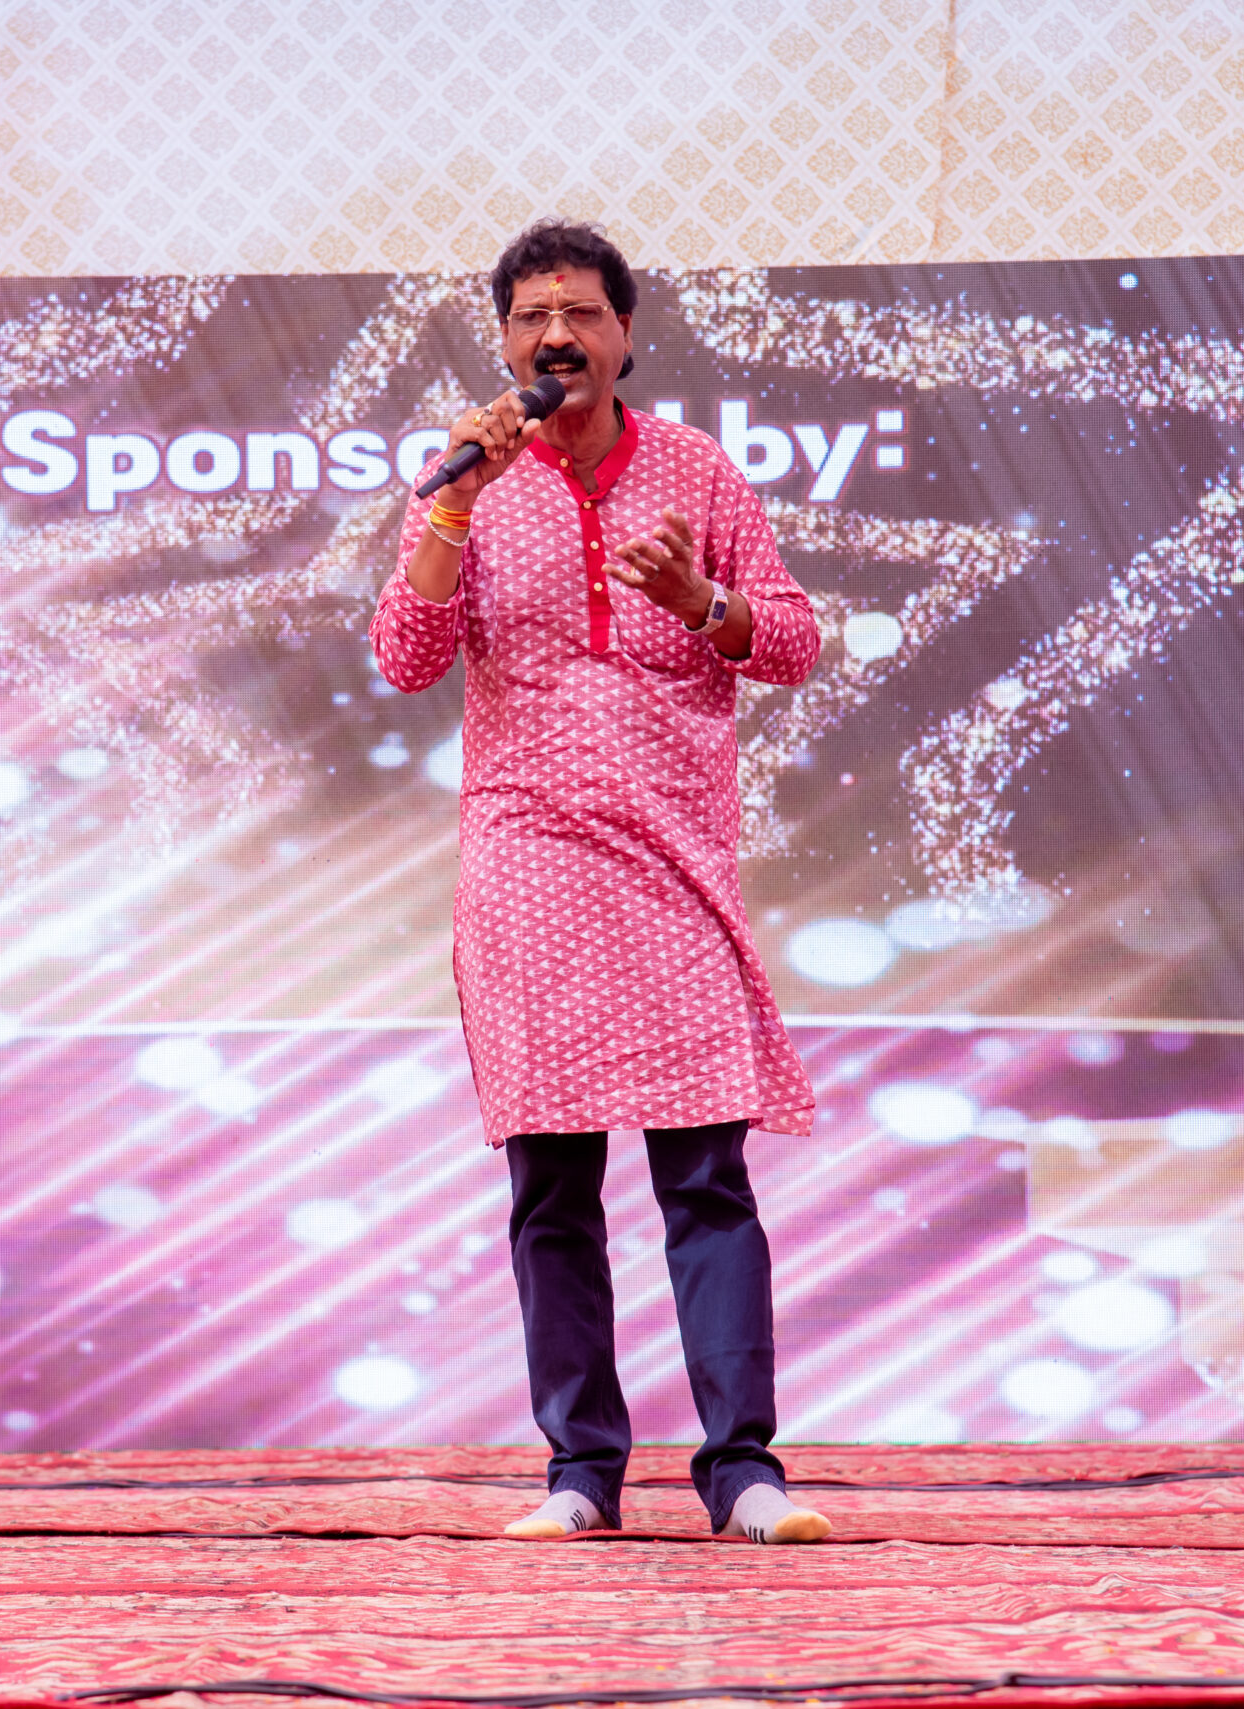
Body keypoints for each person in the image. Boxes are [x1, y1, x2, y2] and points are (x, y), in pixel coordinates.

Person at [370, 219, 830, 1544]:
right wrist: (453, 504)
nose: (555, 334)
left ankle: (743, 1470)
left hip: (672, 861)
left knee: (705, 1179)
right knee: (553, 1189)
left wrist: (698, 601)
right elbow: (405, 655)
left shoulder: (695, 469)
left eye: (579, 312)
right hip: (525, 863)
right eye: (530, 316)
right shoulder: (463, 480)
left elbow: (792, 642)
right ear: (504, 342)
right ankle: (581, 1472)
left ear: (626, 334)